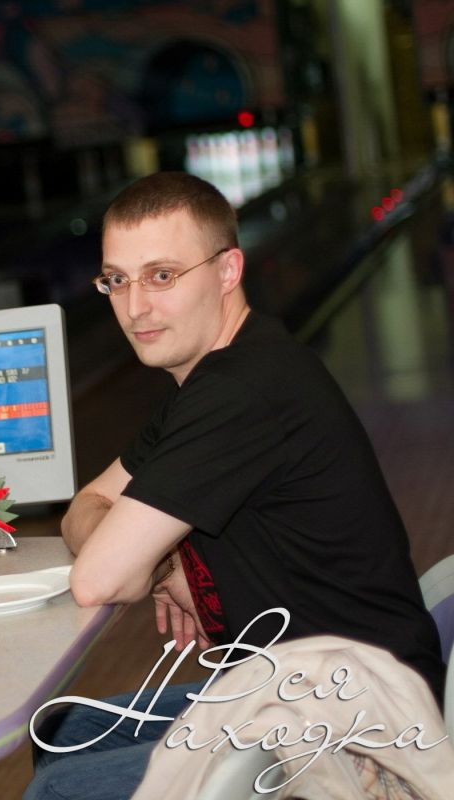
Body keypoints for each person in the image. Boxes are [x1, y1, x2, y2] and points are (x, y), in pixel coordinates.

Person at [25, 172, 443, 800]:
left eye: (162, 275)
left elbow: (99, 580)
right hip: (288, 688)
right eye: (117, 279)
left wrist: (140, 560)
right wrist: (168, 566)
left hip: (357, 723)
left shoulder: (241, 391)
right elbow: (85, 507)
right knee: (63, 729)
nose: (134, 307)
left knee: (61, 788)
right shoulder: (208, 381)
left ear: (227, 270)